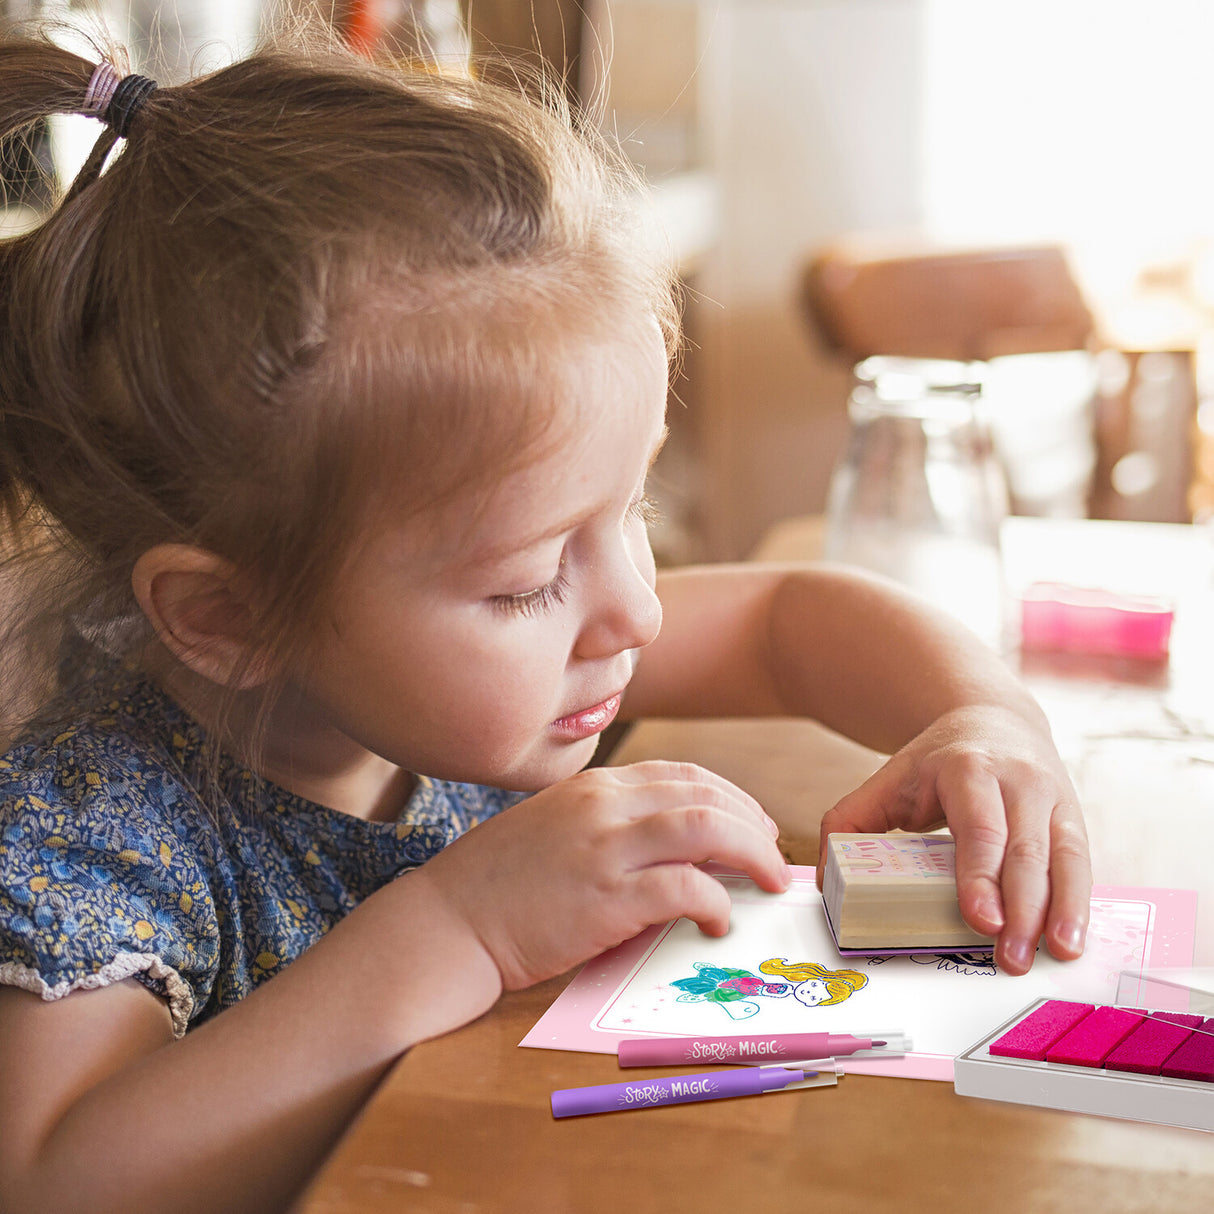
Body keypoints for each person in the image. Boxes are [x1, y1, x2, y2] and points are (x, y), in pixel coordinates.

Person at [0, 25, 1090, 1214]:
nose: (632, 605)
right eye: (526, 578)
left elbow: (784, 613)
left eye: (632, 509)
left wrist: (982, 718)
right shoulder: (95, 825)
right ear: (231, 612)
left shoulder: (488, 665)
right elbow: (56, 1175)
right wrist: (465, 923)